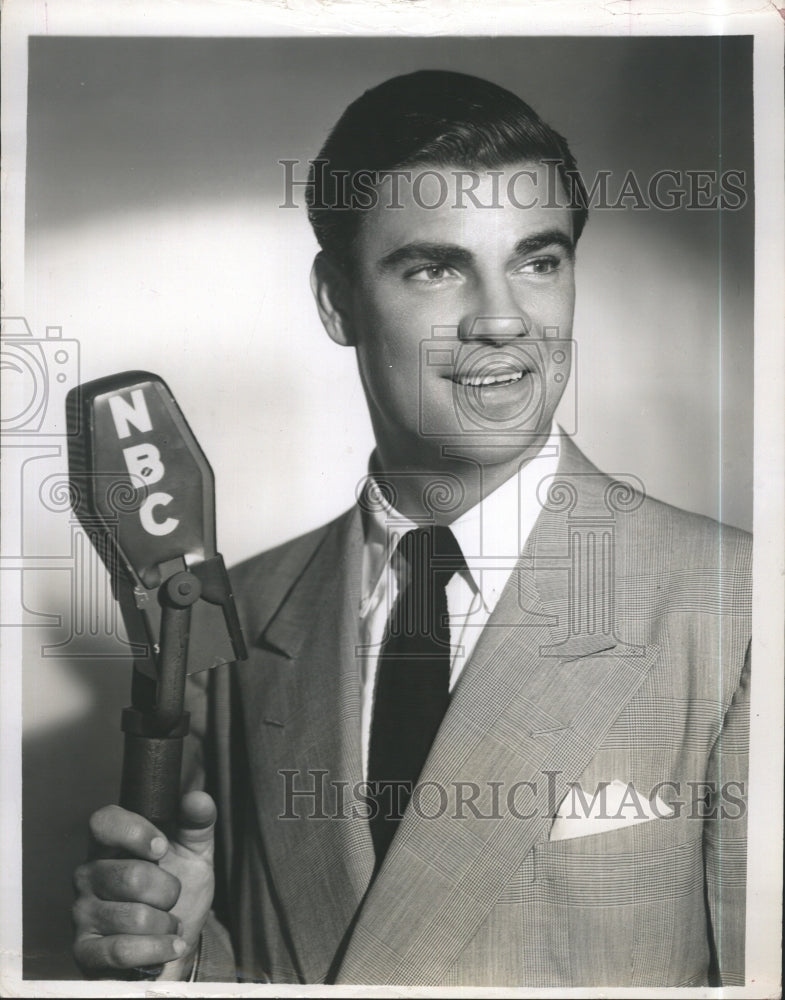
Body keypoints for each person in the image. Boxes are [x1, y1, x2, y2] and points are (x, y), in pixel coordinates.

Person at [71, 70, 751, 988]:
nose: (503, 319)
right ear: (337, 301)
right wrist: (186, 964)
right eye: (434, 267)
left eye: (537, 260)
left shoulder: (737, 607)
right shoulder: (247, 618)